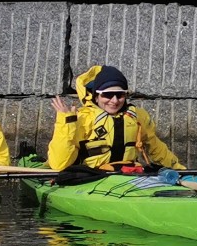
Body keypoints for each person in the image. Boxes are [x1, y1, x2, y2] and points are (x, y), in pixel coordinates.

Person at [47, 65, 183, 174]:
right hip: (91, 177)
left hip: (128, 175)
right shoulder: (82, 119)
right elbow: (59, 164)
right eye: (107, 95)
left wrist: (181, 171)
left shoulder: (137, 116)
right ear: (96, 97)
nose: (114, 100)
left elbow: (157, 149)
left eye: (120, 95)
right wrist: (66, 122)